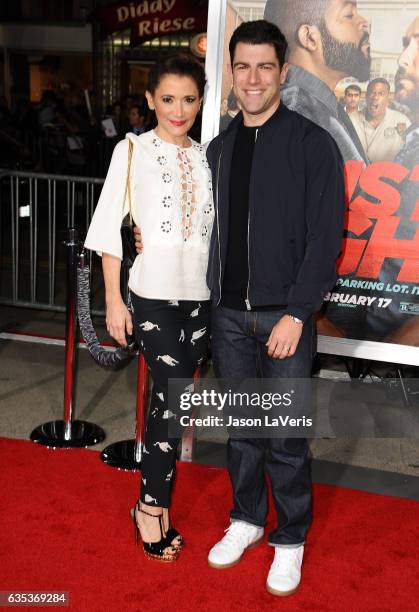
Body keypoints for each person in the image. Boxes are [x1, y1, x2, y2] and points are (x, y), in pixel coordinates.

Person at [204, 20, 345, 597]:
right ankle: (245, 520)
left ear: (284, 72)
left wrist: (297, 312)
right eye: (243, 66)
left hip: (284, 315)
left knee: (284, 435)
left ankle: (289, 540)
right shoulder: (219, 148)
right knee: (241, 430)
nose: (254, 78)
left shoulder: (314, 145)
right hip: (227, 318)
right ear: (231, 73)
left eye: (266, 66)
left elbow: (325, 238)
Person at [84, 55, 213, 562]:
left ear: (201, 101)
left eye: (188, 99)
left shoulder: (208, 157)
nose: (178, 110)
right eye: (167, 99)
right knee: (175, 399)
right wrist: (114, 301)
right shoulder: (132, 150)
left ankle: (150, 503)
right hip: (153, 294)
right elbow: (107, 230)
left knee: (170, 404)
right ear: (149, 100)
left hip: (201, 300)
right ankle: (151, 509)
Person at [265, 0, 370, 163]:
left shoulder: (319, 110)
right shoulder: (297, 117)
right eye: (349, 15)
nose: (364, 22)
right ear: (309, 38)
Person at [350, 78, 410, 162]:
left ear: (388, 98)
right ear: (366, 96)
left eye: (381, 94)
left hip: (390, 173)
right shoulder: (351, 120)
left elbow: (411, 153)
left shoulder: (401, 120)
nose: (375, 97)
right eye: (372, 93)